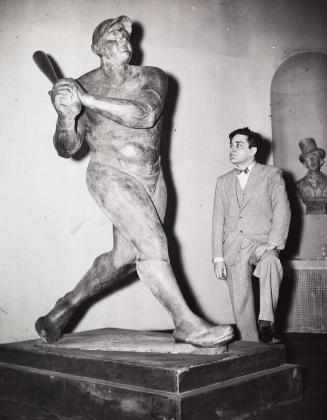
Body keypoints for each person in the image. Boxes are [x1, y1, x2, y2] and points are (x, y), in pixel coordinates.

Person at [35, 16, 233, 347]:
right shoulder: (82, 84)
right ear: (98, 47)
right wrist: (67, 117)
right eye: (115, 36)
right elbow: (67, 148)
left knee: (124, 259)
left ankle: (62, 309)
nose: (126, 40)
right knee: (153, 244)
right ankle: (185, 323)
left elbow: (146, 114)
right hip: (109, 172)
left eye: (127, 35)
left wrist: (84, 100)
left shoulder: (151, 76)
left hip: (152, 176)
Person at [212, 127, 291, 342]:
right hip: (233, 247)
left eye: (239, 145)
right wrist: (218, 257)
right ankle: (252, 346)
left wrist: (273, 243)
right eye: (231, 145)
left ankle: (266, 321)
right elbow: (217, 221)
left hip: (262, 243)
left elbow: (282, 209)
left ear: (253, 150)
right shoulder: (223, 181)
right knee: (241, 302)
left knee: (271, 264)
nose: (232, 149)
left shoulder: (271, 174)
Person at [296, 138, 327, 214]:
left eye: (314, 156)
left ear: (321, 160)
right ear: (305, 164)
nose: (311, 160)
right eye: (307, 157)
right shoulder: (298, 186)